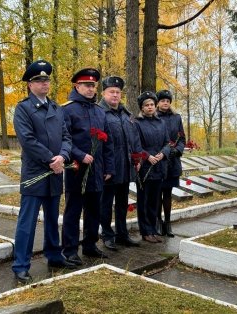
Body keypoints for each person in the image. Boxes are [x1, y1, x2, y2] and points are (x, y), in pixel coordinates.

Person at [12, 60, 75, 283]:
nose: (44, 83)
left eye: (46, 79)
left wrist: (63, 157)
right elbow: (27, 140)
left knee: (52, 219)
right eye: (39, 80)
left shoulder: (57, 108)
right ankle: (20, 264)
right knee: (27, 222)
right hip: (35, 173)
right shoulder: (23, 108)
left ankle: (54, 255)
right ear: (30, 84)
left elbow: (67, 137)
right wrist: (51, 159)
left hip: (56, 172)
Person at [61, 68, 115, 265]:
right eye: (87, 85)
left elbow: (108, 142)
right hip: (76, 169)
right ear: (77, 86)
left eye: (93, 85)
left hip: (97, 169)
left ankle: (90, 245)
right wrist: (79, 155)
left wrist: (109, 168)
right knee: (73, 210)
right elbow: (63, 138)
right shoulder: (67, 109)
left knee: (94, 210)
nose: (91, 89)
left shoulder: (100, 111)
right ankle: (70, 249)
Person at [98, 76, 142, 251]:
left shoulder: (126, 114)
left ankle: (122, 234)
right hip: (109, 168)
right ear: (104, 93)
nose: (115, 95)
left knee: (123, 203)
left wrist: (137, 159)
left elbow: (134, 138)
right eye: (111, 92)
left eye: (118, 92)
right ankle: (108, 235)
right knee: (106, 204)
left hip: (125, 166)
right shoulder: (99, 112)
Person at [135, 91, 170, 243]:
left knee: (155, 201)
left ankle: (153, 229)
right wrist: (147, 156)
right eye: (146, 105)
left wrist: (163, 154)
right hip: (145, 167)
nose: (150, 107)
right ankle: (145, 231)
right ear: (142, 108)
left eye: (152, 105)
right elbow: (135, 144)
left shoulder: (161, 122)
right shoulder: (137, 123)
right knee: (144, 200)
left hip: (159, 166)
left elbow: (168, 142)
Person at [156, 89, 185, 237]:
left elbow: (182, 138)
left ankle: (168, 223)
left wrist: (177, 150)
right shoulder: (153, 117)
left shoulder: (176, 117)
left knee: (167, 194)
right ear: (158, 103)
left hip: (172, 161)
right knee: (157, 194)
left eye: (167, 101)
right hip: (159, 160)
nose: (165, 103)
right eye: (162, 101)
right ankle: (158, 222)